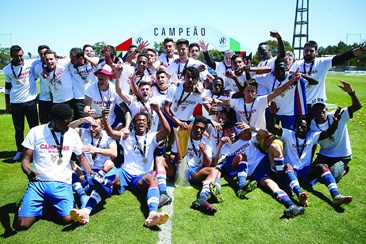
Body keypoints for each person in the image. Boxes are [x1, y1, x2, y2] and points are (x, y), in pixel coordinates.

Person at [71, 103, 171, 228]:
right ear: (134, 123)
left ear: (147, 124)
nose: (141, 122)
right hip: (125, 172)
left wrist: (158, 111)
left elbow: (167, 130)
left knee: (153, 179)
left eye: (143, 121)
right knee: (106, 180)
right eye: (138, 120)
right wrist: (104, 119)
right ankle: (86, 211)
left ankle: (152, 214)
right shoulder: (126, 136)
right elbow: (111, 132)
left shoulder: (152, 137)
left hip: (141, 175)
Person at [15, 104, 92, 230]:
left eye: (70, 122)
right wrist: (28, 172)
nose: (69, 126)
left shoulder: (72, 134)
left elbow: (81, 157)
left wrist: (90, 174)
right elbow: (25, 159)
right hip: (38, 184)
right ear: (55, 121)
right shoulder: (36, 131)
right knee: (21, 224)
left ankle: (46, 204)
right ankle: (43, 202)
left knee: (67, 219)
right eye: (66, 123)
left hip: (62, 184)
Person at [268, 101, 353, 207]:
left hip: (305, 172)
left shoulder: (312, 136)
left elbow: (328, 133)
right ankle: (300, 194)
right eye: (298, 126)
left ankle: (336, 196)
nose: (299, 129)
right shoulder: (288, 134)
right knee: (288, 165)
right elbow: (272, 128)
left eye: (303, 127)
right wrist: (272, 114)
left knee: (323, 166)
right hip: (291, 171)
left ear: (308, 129)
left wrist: (335, 122)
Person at [310, 81, 362, 182]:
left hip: (342, 155)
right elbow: (320, 139)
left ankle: (344, 169)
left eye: (322, 108)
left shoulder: (337, 114)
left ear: (326, 109)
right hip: (325, 154)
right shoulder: (312, 125)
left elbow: (357, 106)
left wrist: (351, 92)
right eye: (316, 108)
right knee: (312, 174)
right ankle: (330, 167)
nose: (320, 111)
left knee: (330, 177)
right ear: (312, 111)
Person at [170, 116, 222, 214]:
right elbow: (172, 155)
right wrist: (176, 159)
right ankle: (161, 191)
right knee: (160, 160)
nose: (198, 130)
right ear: (192, 127)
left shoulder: (207, 143)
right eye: (197, 127)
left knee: (214, 170)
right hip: (179, 169)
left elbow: (207, 164)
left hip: (195, 172)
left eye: (202, 129)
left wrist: (204, 152)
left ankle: (202, 198)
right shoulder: (183, 137)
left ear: (204, 130)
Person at [290, 41, 366, 107]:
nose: (308, 53)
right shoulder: (297, 64)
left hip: (317, 104)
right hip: (300, 102)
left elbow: (343, 57)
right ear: (303, 51)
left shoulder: (322, 63)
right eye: (306, 50)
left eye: (311, 51)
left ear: (316, 52)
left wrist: (362, 49)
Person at [4, 45, 39, 161]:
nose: (19, 58)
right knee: (18, 129)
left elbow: (45, 58)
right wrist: (7, 104)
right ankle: (19, 151)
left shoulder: (31, 64)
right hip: (15, 103)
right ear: (11, 56)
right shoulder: (7, 69)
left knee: (34, 128)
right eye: (16, 56)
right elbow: (8, 87)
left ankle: (37, 151)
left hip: (30, 101)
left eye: (20, 55)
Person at [213, 121, 256, 199]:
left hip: (242, 166)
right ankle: (241, 185)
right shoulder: (225, 146)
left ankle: (240, 188)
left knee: (242, 157)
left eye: (231, 129)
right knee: (240, 157)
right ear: (224, 134)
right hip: (229, 166)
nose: (230, 132)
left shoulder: (244, 139)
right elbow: (218, 160)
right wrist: (220, 144)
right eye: (227, 131)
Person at [31, 45, 52, 124]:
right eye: (41, 54)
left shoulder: (58, 64)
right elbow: (33, 79)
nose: (43, 56)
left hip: (57, 98)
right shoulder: (37, 67)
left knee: (58, 123)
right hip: (43, 99)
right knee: (44, 123)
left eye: (44, 53)